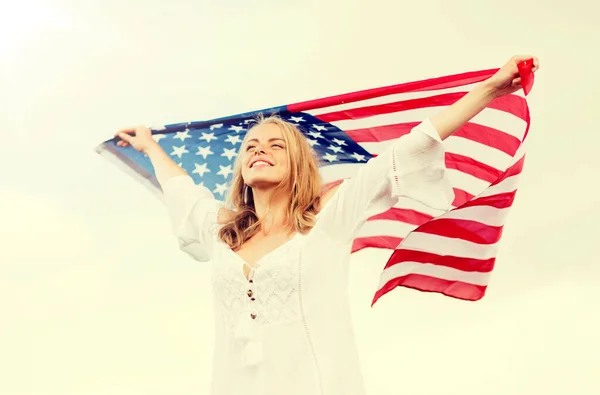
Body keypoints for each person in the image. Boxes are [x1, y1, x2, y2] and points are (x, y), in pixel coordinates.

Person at [115, 55, 539, 395]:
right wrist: (150, 145)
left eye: (275, 145)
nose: (260, 151)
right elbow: (183, 192)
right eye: (251, 147)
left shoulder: (329, 217)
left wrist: (488, 90)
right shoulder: (223, 230)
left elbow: (409, 148)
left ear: (296, 162)